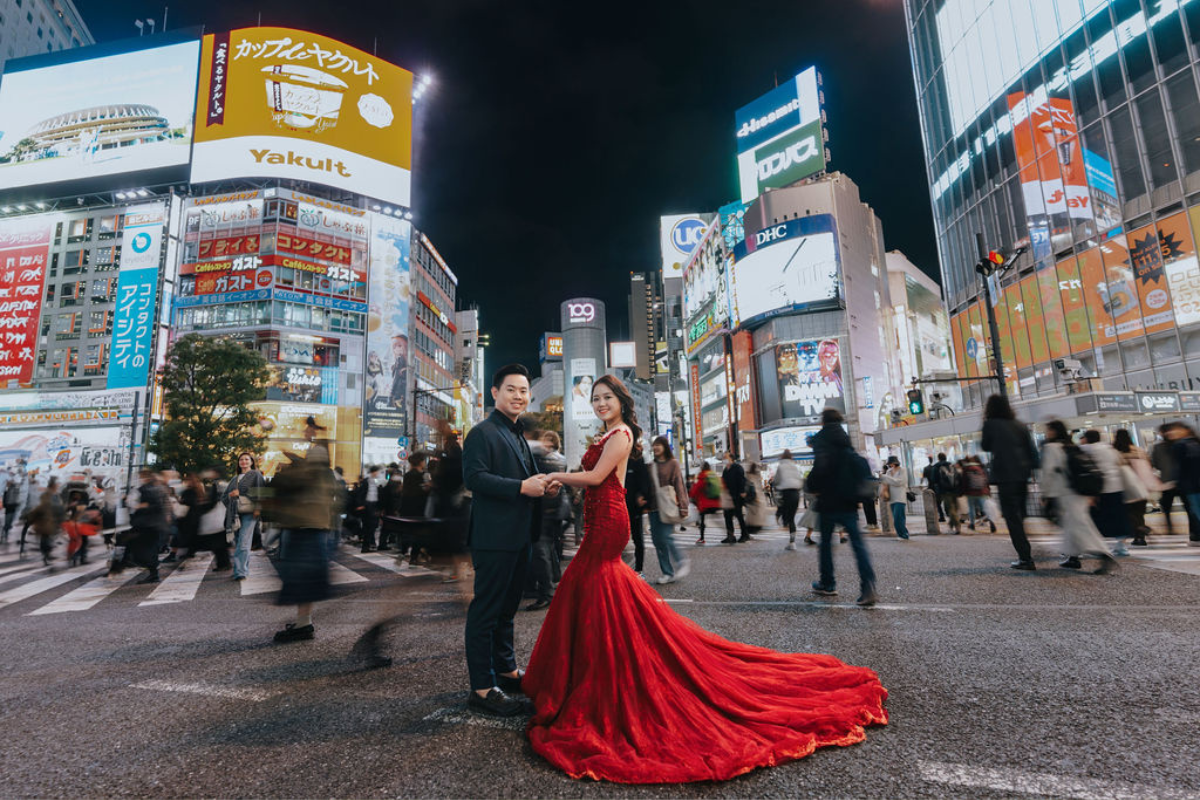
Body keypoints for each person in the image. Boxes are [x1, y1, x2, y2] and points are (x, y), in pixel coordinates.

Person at [525, 375, 887, 783]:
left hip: (609, 518)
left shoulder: (621, 434)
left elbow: (596, 479)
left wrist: (555, 478)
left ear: (622, 403)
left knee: (596, 588)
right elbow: (595, 480)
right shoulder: (608, 433)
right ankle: (590, 674)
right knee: (598, 594)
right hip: (599, 517)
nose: (600, 403)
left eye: (607, 397)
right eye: (595, 398)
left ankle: (595, 678)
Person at [461, 364, 560, 717]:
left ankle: (506, 670)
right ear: (494, 393)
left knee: (506, 611)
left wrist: (542, 484)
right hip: (494, 537)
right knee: (486, 612)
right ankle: (483, 688)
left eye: (523, 390)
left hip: (520, 536)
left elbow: (521, 479)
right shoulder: (482, 432)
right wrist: (521, 487)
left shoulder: (515, 432)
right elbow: (475, 478)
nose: (519, 396)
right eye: (510, 390)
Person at [807, 409, 878, 606]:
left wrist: (812, 485)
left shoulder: (822, 442)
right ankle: (868, 585)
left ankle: (828, 584)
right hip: (848, 502)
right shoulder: (845, 440)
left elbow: (818, 470)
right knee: (858, 545)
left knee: (827, 545)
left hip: (828, 501)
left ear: (823, 421)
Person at [1040, 421, 1118, 574]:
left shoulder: (1051, 448)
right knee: (1072, 524)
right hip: (1080, 490)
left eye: (1048, 430)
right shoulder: (1072, 446)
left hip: (1067, 492)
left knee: (1079, 525)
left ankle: (1103, 554)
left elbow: (1048, 473)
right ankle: (1073, 558)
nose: (1046, 433)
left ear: (1054, 431)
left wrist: (1045, 493)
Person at [981, 394, 1038, 569]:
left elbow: (986, 446)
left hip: (1005, 477)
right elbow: (1033, 453)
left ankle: (1026, 558)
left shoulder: (990, 424)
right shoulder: (1020, 425)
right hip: (1022, 476)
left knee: (1013, 518)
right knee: (1021, 515)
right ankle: (1027, 550)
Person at [1081, 430, 1133, 555]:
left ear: (1086, 439)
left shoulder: (1085, 449)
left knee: (1092, 519)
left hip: (1096, 490)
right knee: (1118, 517)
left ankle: (1092, 547)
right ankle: (1121, 546)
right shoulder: (1110, 449)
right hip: (1115, 487)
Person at [647, 436, 689, 584]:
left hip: (668, 506)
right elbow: (646, 486)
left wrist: (683, 506)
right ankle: (667, 572)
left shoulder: (673, 464)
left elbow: (679, 484)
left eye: (659, 445)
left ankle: (681, 560)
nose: (656, 447)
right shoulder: (650, 465)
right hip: (653, 507)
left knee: (665, 536)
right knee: (657, 540)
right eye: (654, 445)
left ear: (665, 446)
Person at [1151, 424, 1199, 541]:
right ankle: (1193, 531)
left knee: (1169, 506)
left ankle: (1175, 528)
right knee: (1188, 507)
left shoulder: (1165, 447)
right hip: (1180, 481)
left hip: (1173, 481)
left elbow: (1156, 463)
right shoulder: (1189, 444)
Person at [1112, 429, 1158, 547]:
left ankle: (1139, 529)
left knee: (1127, 513)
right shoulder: (1139, 450)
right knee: (1139, 513)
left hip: (1123, 487)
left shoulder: (1114, 452)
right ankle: (1140, 538)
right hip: (1141, 485)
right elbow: (1149, 466)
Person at [224, 453, 265, 581]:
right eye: (241, 459)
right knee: (239, 543)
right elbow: (224, 497)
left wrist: (241, 493)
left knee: (243, 543)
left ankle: (240, 572)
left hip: (250, 513)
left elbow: (263, 492)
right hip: (235, 514)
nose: (244, 461)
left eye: (247, 459)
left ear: (252, 462)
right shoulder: (234, 479)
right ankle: (241, 569)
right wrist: (231, 498)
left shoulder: (256, 475)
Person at [125, 470, 169, 584]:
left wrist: (140, 506)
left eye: (141, 476)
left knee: (144, 548)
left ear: (146, 477)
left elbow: (156, 506)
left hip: (147, 525)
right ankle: (153, 573)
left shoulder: (146, 489)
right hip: (151, 525)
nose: (139, 478)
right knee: (148, 548)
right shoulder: (152, 488)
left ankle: (153, 573)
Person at [1166, 422, 1200, 548]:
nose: (1170, 433)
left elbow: (1179, 467)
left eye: (1173, 430)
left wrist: (1176, 482)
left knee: (1196, 511)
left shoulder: (1179, 445)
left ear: (1184, 430)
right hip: (1194, 484)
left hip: (1190, 485)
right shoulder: (1195, 442)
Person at [624, 449, 652, 576]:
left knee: (637, 538)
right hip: (619, 505)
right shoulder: (618, 458)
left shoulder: (638, 460)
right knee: (619, 539)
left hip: (634, 506)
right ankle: (619, 570)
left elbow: (645, 481)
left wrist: (642, 495)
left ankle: (639, 569)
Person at [28, 479, 65, 569]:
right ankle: (46, 555)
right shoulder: (48, 495)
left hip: (51, 521)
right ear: (52, 486)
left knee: (47, 539)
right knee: (46, 539)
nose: (57, 487)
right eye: (56, 486)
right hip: (47, 522)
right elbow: (41, 508)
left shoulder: (54, 495)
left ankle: (46, 554)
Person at [772, 449, 803, 549]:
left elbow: (776, 480)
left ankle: (780, 517)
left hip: (785, 493)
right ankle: (792, 542)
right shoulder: (795, 466)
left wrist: (776, 485)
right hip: (796, 493)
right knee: (792, 519)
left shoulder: (781, 466)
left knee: (784, 511)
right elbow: (800, 480)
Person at [688, 462, 722, 545]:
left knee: (702, 520)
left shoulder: (703, 476)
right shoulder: (713, 475)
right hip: (716, 502)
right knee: (717, 519)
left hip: (705, 503)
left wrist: (691, 495)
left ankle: (702, 537)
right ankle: (729, 532)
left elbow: (696, 489)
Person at [961, 455, 995, 533]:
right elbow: (986, 480)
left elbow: (964, 482)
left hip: (971, 493)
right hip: (982, 492)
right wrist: (988, 491)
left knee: (971, 508)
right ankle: (992, 523)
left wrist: (963, 491)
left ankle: (972, 524)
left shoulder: (966, 469)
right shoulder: (980, 468)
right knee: (986, 508)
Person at [352, 465, 383, 552]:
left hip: (373, 505)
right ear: (373, 472)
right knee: (368, 526)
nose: (378, 473)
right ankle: (366, 546)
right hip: (367, 506)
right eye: (377, 471)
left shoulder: (374, 481)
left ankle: (369, 545)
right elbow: (360, 494)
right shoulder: (366, 481)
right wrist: (361, 505)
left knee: (372, 526)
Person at [720, 452, 748, 543]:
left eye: (725, 457)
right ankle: (730, 536)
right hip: (727, 496)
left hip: (736, 496)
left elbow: (742, 480)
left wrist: (742, 492)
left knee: (739, 516)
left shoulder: (737, 467)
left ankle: (744, 535)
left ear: (731, 458)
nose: (724, 459)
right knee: (727, 516)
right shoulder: (725, 470)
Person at [930, 453, 961, 534]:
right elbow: (959, 477)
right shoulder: (952, 466)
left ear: (938, 458)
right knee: (954, 509)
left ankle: (957, 527)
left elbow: (933, 480)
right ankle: (951, 526)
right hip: (955, 490)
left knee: (951, 509)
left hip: (944, 491)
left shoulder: (936, 467)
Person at [881, 456, 910, 540]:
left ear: (894, 462)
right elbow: (886, 482)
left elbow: (900, 482)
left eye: (890, 463)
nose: (889, 465)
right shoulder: (889, 472)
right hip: (891, 497)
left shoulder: (902, 470)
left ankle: (904, 534)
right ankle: (901, 534)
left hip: (900, 497)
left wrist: (885, 477)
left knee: (898, 518)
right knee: (896, 518)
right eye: (889, 464)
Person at [921, 458, 945, 522]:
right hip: (939, 487)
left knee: (935, 503)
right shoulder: (936, 467)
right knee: (938, 502)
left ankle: (939, 515)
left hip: (931, 487)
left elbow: (923, 478)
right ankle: (941, 515)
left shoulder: (926, 468)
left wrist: (921, 484)